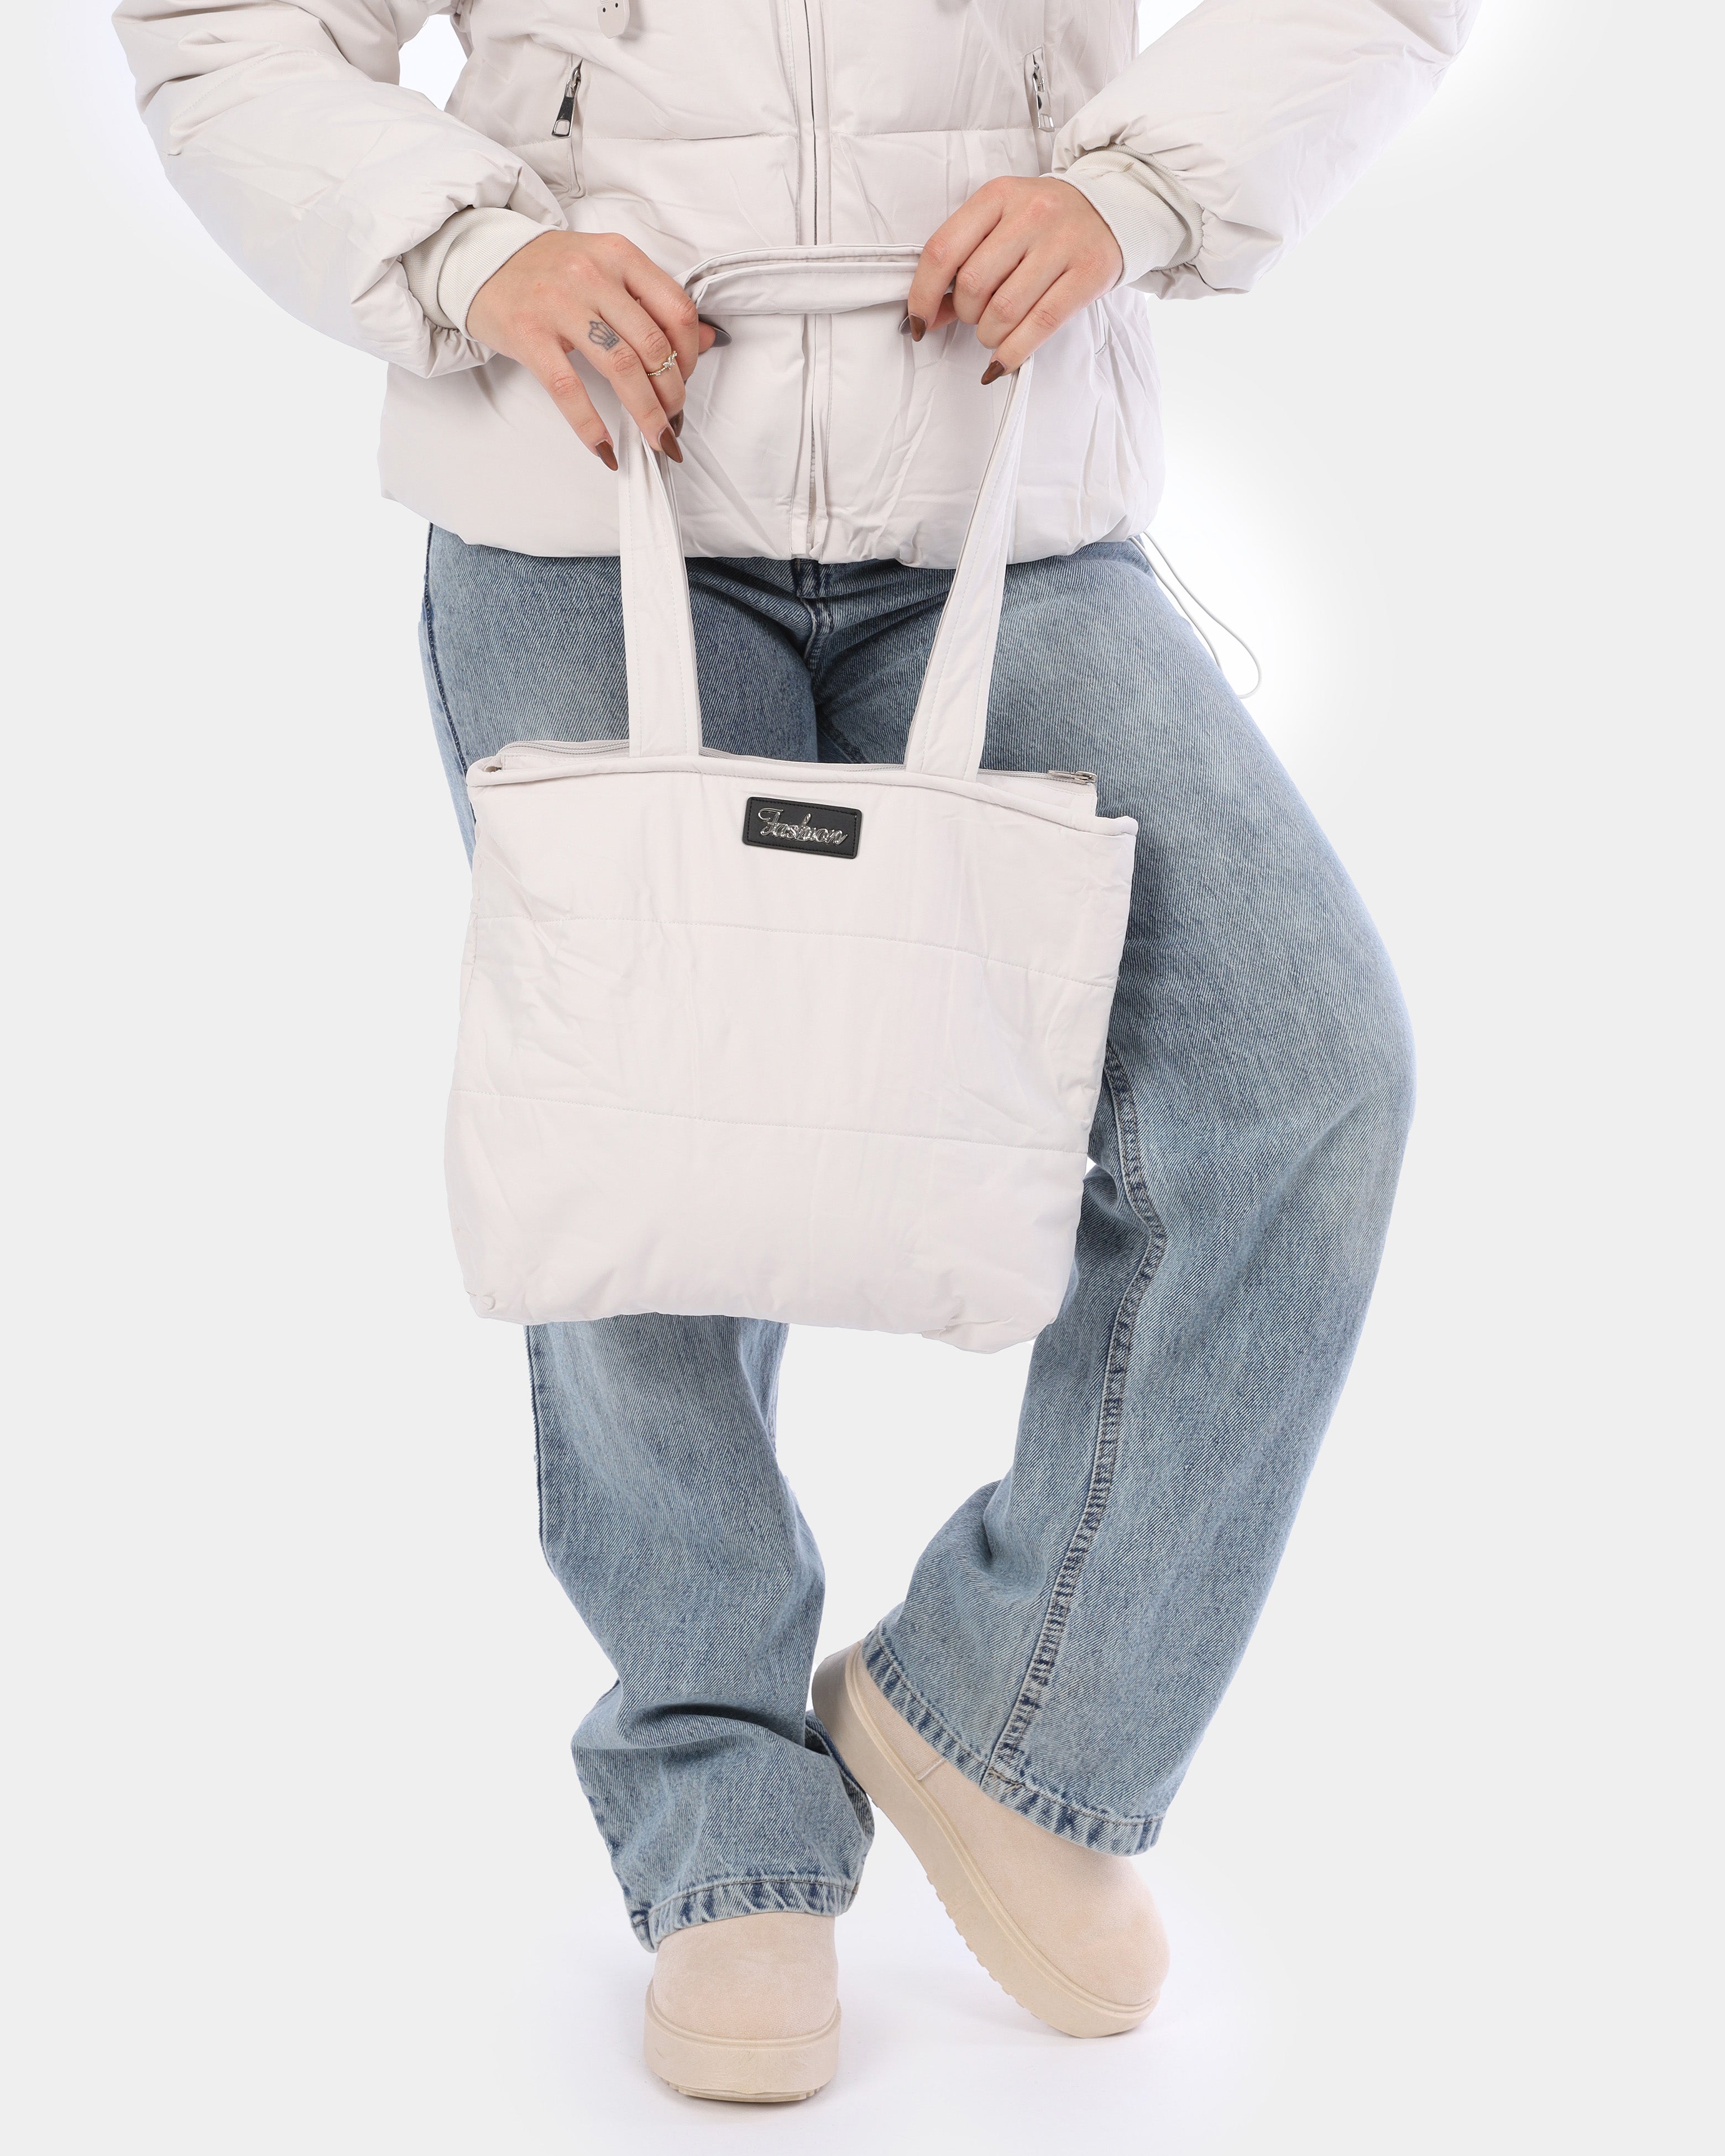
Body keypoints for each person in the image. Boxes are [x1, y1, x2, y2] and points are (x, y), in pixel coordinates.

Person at [116, 0, 1476, 2107]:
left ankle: (1013, 1721)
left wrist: (1138, 189)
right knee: (651, 1149)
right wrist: (474, 248)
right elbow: (229, 31)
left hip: (1004, 492)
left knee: (1307, 1073)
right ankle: (724, 1813)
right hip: (590, 482)